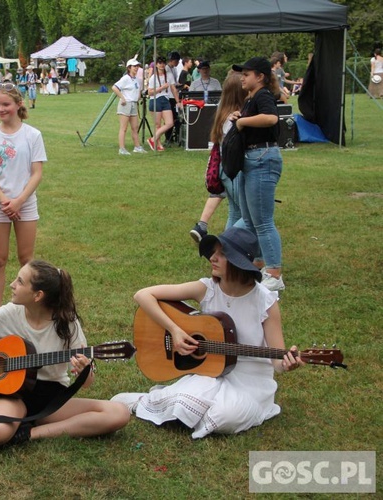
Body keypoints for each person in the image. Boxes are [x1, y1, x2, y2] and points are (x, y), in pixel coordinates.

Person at [112, 227, 302, 439]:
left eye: (221, 254)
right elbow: (143, 295)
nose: (212, 257)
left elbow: (277, 361)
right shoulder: (207, 289)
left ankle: (187, 409)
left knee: (224, 418)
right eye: (214, 252)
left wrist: (286, 364)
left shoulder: (265, 301)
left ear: (237, 262)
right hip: (211, 373)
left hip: (250, 383)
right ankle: (148, 402)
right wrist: (174, 330)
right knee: (184, 401)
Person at [0, 260, 130, 446]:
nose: (12, 284)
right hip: (13, 395)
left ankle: (28, 433)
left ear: (38, 296)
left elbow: (88, 383)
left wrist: (84, 370)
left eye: (20, 281)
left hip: (51, 399)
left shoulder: (68, 324)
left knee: (119, 413)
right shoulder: (10, 312)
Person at [0, 83, 46, 308]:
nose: (0, 109)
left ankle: (24, 305)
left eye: (6, 104)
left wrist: (19, 201)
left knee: (26, 260)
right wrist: (4, 201)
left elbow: (37, 174)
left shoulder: (33, 135)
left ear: (18, 105)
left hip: (25, 204)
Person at [231, 57, 285, 292]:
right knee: (251, 220)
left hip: (262, 159)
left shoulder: (262, 94)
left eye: (247, 73)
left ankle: (274, 273)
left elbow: (271, 118)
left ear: (260, 76)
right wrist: (238, 117)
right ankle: (260, 264)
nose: (242, 77)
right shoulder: (251, 97)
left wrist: (242, 121)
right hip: (251, 159)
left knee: (262, 221)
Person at [189, 72, 247, 242]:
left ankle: (227, 250)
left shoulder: (223, 109)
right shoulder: (235, 116)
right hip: (234, 170)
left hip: (223, 168)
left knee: (235, 212)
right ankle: (223, 247)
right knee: (250, 216)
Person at [112, 58, 145, 155]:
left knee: (135, 127)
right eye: (134, 66)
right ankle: (122, 149)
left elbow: (137, 90)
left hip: (134, 104)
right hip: (126, 104)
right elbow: (115, 87)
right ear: (129, 68)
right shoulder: (125, 78)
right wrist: (122, 98)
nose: (136, 68)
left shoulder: (136, 79)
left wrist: (138, 97)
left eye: (137, 66)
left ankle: (137, 147)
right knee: (124, 127)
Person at [147, 56, 179, 151]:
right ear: (156, 64)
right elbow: (149, 92)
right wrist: (162, 88)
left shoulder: (168, 75)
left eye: (163, 63)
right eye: (159, 63)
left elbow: (173, 88)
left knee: (169, 123)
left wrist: (177, 101)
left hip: (165, 99)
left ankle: (153, 139)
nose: (162, 65)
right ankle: (158, 144)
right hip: (155, 100)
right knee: (157, 125)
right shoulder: (153, 77)